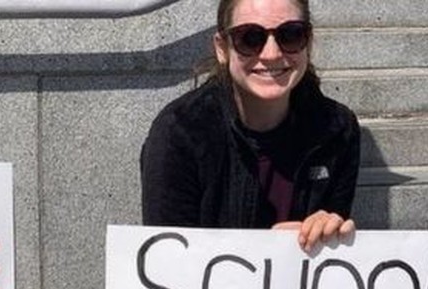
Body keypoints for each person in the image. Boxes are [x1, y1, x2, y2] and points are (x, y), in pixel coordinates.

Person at [140, 0, 360, 252]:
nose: (272, 54)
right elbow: (167, 258)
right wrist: (265, 249)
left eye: (291, 34)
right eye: (250, 38)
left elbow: (334, 259)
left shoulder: (337, 130)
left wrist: (329, 231)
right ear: (222, 49)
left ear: (307, 43)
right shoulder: (180, 133)